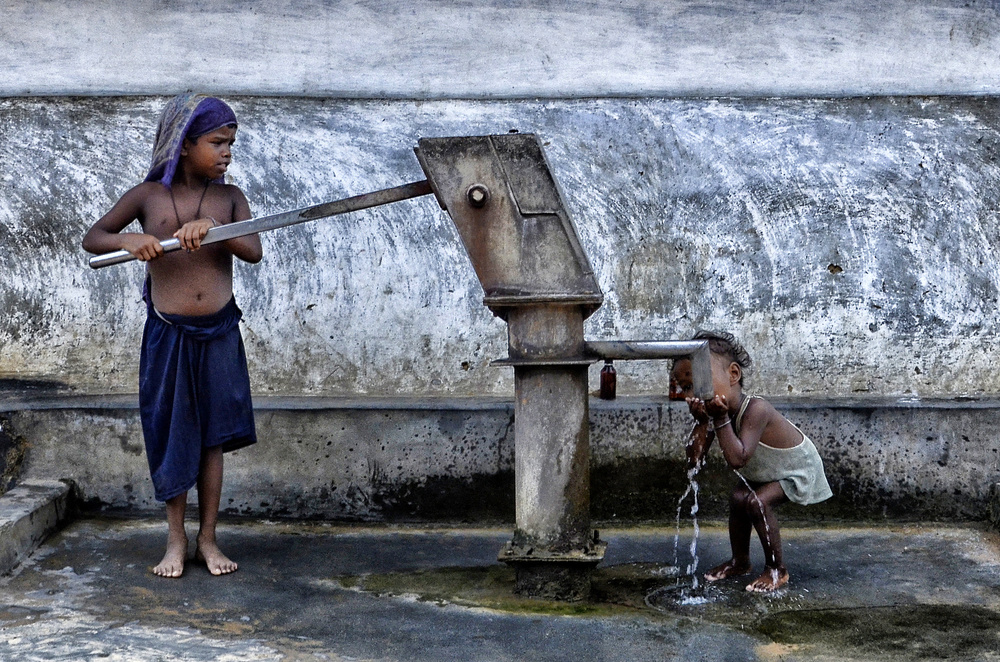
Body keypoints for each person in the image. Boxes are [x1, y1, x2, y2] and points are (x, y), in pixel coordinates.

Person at [82, 94, 263, 578]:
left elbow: (253, 250)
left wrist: (217, 227)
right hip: (168, 335)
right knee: (173, 434)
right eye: (216, 142)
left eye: (231, 143)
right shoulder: (148, 197)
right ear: (183, 145)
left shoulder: (229, 198)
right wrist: (128, 239)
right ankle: (175, 540)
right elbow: (94, 237)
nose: (227, 152)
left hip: (219, 332)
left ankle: (208, 539)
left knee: (212, 440)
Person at [669, 330, 832, 592]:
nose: (696, 393)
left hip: (797, 469)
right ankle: (740, 561)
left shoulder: (757, 409)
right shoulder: (715, 411)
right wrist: (702, 422)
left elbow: (738, 459)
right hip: (770, 470)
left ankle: (777, 569)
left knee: (757, 502)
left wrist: (719, 420)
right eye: (688, 387)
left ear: (733, 375)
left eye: (703, 382)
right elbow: (694, 460)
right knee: (737, 498)